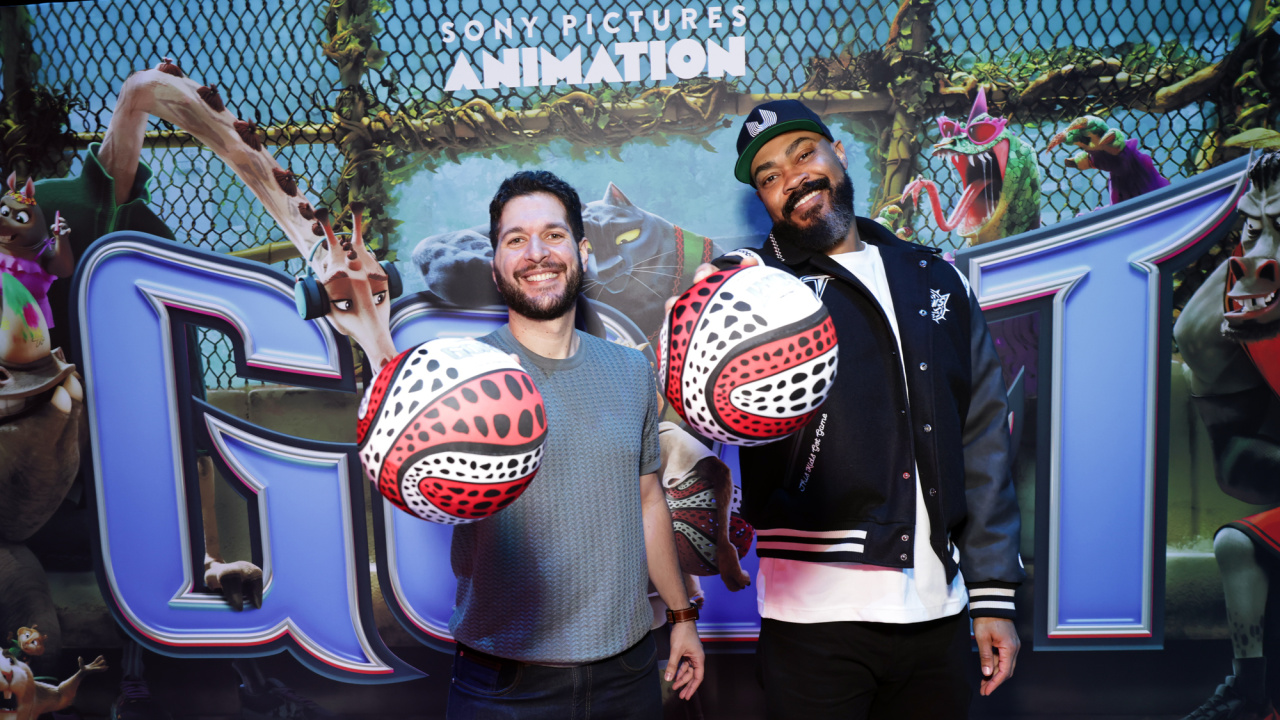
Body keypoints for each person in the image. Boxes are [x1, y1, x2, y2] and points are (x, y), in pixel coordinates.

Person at [672, 100, 1024, 719]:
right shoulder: (755, 288)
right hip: (813, 618)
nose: (793, 178)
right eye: (770, 177)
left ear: (839, 153)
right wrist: (710, 303)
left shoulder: (935, 280)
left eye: (804, 153)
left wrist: (992, 595)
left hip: (937, 611)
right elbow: (701, 351)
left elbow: (981, 434)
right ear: (764, 202)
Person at [447, 170, 705, 719]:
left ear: (582, 251)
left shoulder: (632, 369)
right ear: (495, 265)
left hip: (627, 675)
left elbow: (648, 501)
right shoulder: (459, 376)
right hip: (504, 682)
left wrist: (682, 617)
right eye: (515, 240)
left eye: (554, 235)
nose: (536, 253)